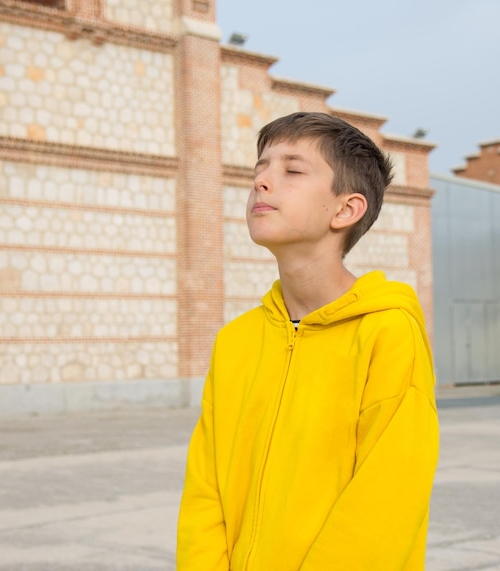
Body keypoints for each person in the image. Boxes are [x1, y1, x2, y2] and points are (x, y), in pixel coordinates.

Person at [176, 111, 440, 570]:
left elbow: (386, 502)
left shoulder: (387, 332)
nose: (262, 181)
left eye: (292, 170)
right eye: (260, 168)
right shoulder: (235, 342)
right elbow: (205, 491)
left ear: (346, 209)